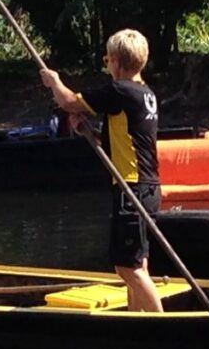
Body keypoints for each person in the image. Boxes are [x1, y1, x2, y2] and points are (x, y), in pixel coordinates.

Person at [40, 29, 164, 312]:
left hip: (132, 190)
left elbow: (68, 102)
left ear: (116, 62)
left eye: (107, 60)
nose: (107, 65)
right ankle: (138, 321)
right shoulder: (145, 93)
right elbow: (127, 139)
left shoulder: (120, 91)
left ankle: (160, 324)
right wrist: (90, 133)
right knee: (138, 264)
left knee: (127, 268)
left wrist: (54, 82)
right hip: (148, 188)